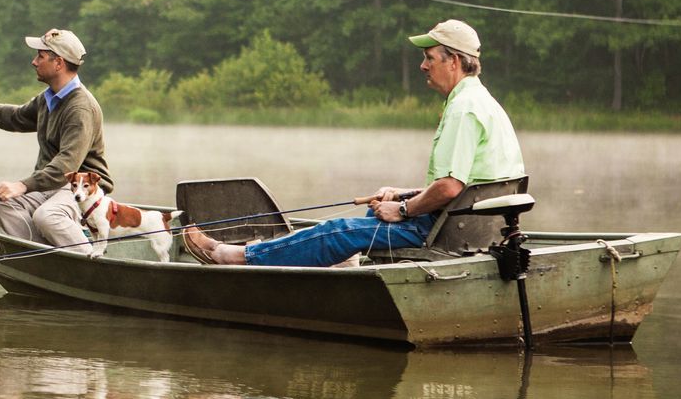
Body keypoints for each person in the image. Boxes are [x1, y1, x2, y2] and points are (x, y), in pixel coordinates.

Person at [183, 19, 524, 266]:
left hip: (443, 231)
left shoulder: (463, 109)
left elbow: (450, 187)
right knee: (369, 215)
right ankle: (341, 272)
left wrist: (403, 208)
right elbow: (465, 185)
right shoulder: (482, 102)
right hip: (468, 227)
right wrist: (405, 193)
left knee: (338, 229)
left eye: (430, 58)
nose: (423, 65)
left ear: (453, 60)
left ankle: (235, 256)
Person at [0, 28, 111, 249]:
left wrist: (22, 186)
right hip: (51, 186)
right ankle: (44, 258)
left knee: (48, 217)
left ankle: (89, 262)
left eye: (40, 56)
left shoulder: (80, 108)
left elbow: (67, 163)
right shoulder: (49, 98)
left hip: (83, 189)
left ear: (59, 63)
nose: (34, 62)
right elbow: (15, 117)